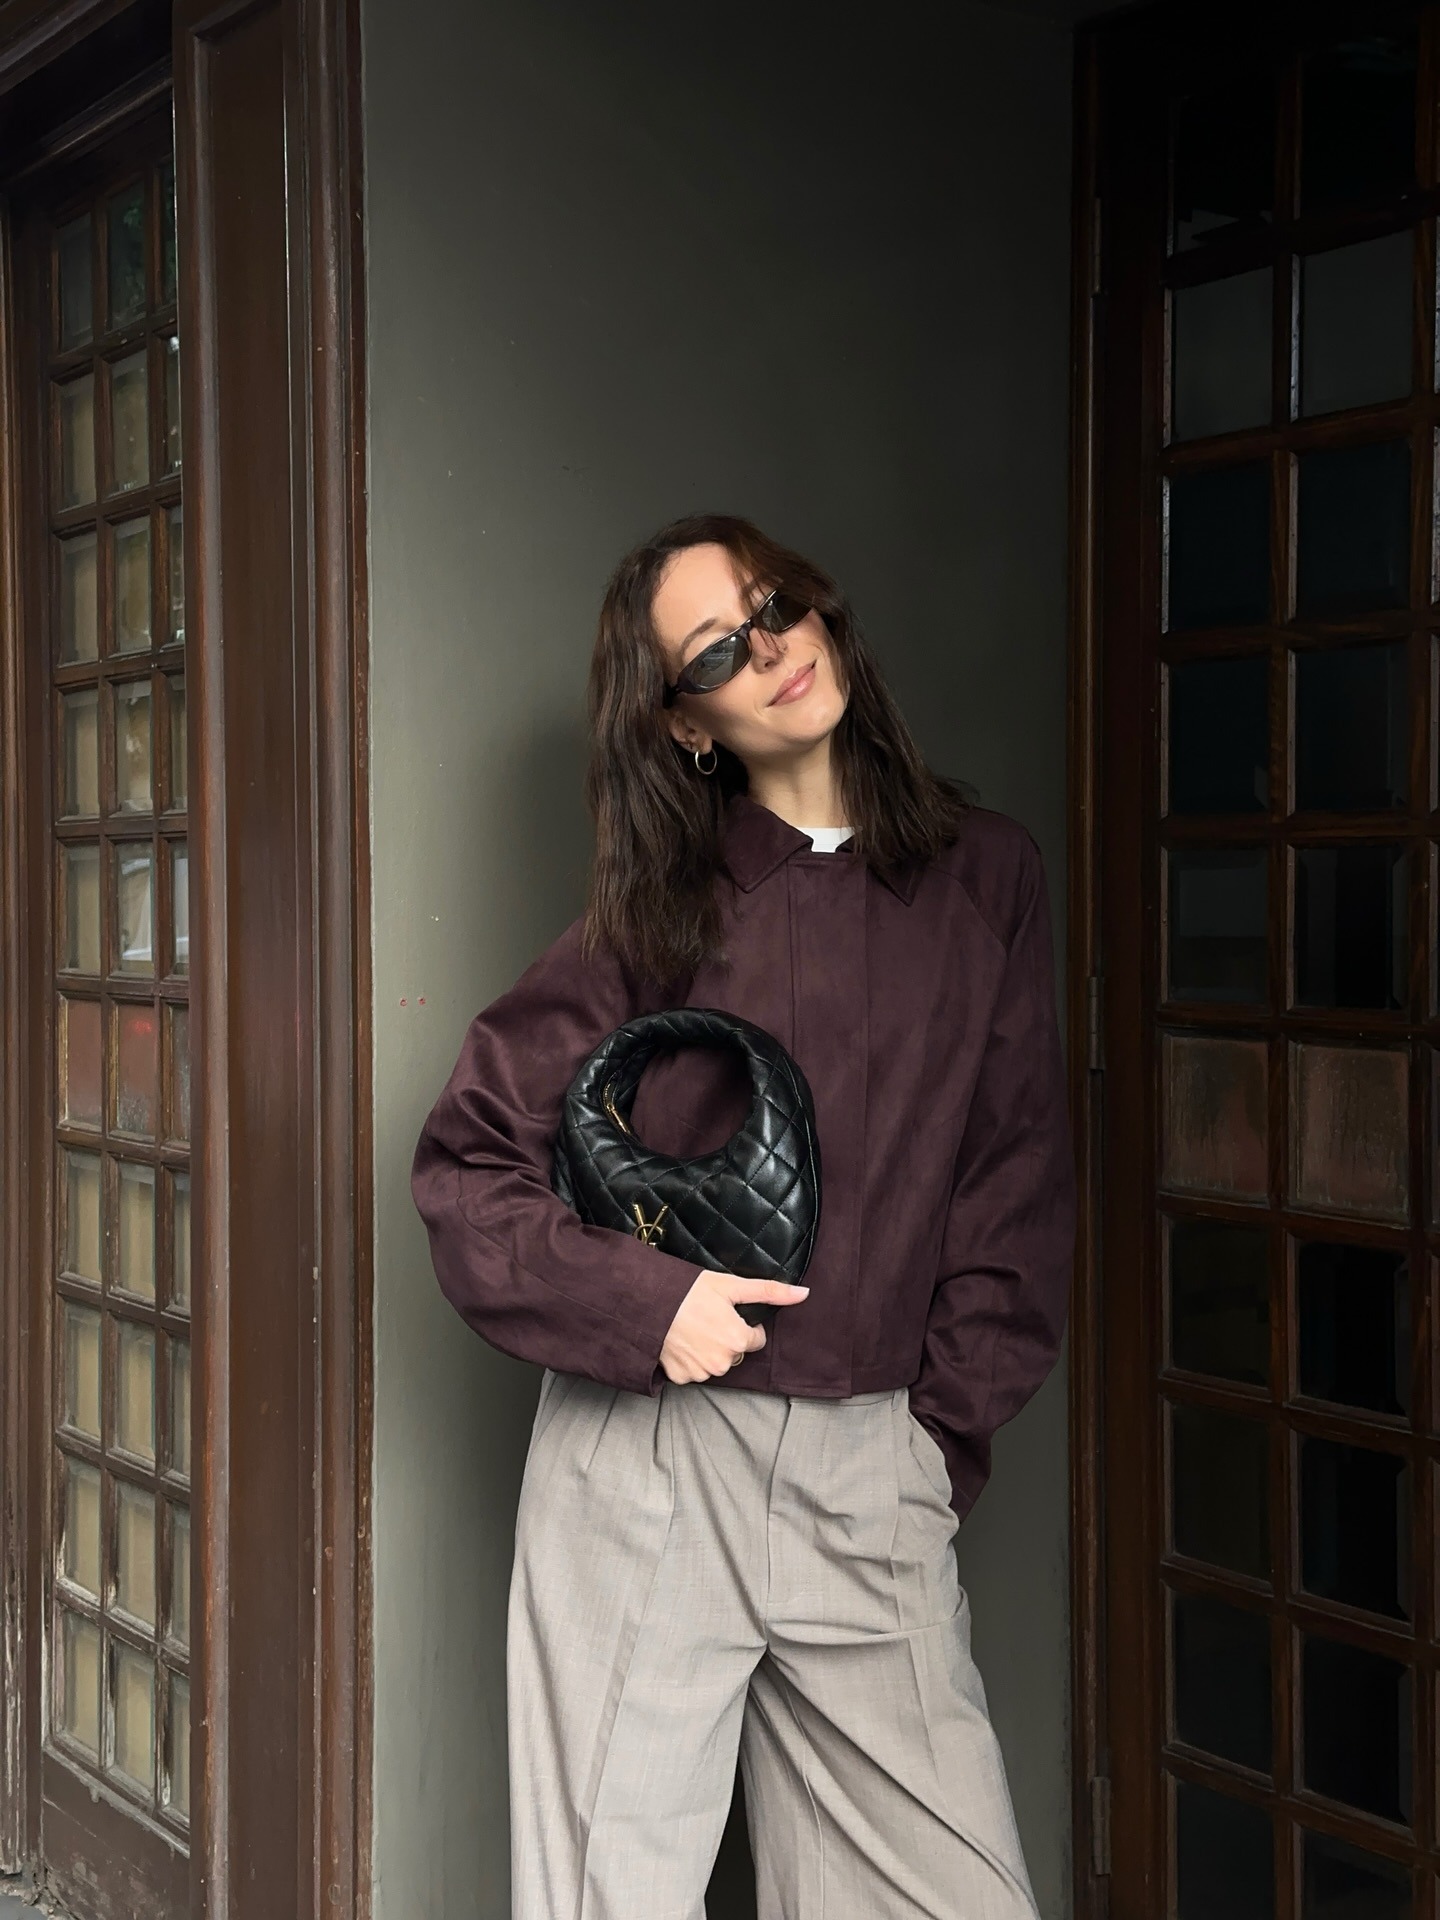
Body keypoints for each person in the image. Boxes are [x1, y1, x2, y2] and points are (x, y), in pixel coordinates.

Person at [412, 512, 1076, 1920]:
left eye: (775, 607)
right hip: (653, 1468)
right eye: (718, 650)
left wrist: (935, 1445)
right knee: (610, 1899)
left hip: (872, 1473)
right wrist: (651, 1306)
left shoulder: (990, 878)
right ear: (686, 722)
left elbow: (1013, 1184)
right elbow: (467, 1167)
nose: (770, 650)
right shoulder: (655, 914)